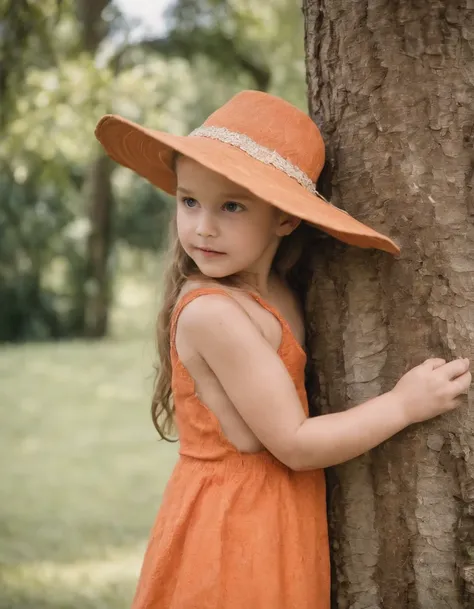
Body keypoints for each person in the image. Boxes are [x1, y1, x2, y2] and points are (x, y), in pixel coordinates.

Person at [95, 90, 471, 609]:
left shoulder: (281, 293)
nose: (202, 226)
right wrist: (403, 404)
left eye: (231, 206)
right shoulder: (213, 313)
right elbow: (293, 443)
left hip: (271, 518)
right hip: (233, 533)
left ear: (286, 220)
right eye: (189, 201)